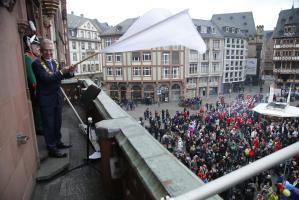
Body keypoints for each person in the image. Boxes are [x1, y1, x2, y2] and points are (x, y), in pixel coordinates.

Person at [32, 38, 75, 158]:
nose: (49, 53)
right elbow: (47, 79)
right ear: (41, 50)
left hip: (57, 97)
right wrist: (62, 72)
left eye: (50, 50)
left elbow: (60, 77)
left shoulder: (55, 62)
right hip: (46, 99)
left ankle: (58, 142)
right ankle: (51, 148)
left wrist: (70, 72)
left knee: (57, 122)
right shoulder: (36, 64)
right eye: (46, 50)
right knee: (49, 124)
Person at [24, 34, 43, 134]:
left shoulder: (35, 57)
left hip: (40, 87)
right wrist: (37, 87)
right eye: (36, 46)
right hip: (35, 88)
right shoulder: (28, 57)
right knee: (38, 108)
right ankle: (39, 128)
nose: (38, 48)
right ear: (29, 45)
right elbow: (32, 77)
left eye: (39, 46)